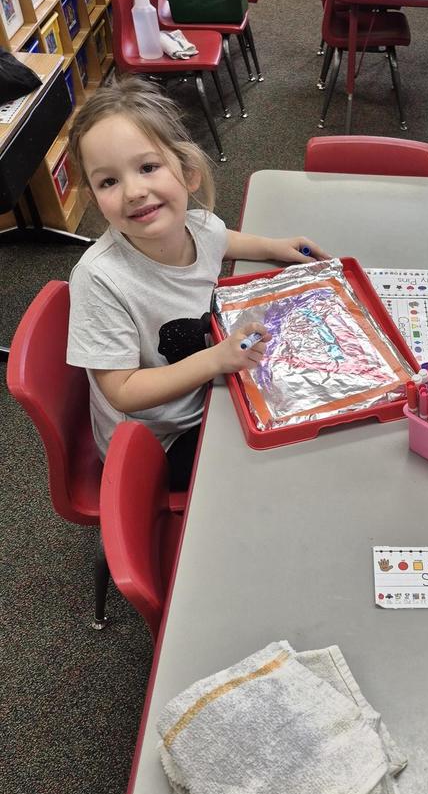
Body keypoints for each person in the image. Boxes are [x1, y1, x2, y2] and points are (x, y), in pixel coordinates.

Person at [66, 78, 329, 490]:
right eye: (108, 181)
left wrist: (275, 245)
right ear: (94, 197)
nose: (134, 191)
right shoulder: (100, 279)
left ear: (188, 174)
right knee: (277, 473)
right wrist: (217, 360)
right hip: (156, 442)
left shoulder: (196, 225)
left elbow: (221, 241)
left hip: (207, 390)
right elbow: (122, 390)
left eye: (148, 167)